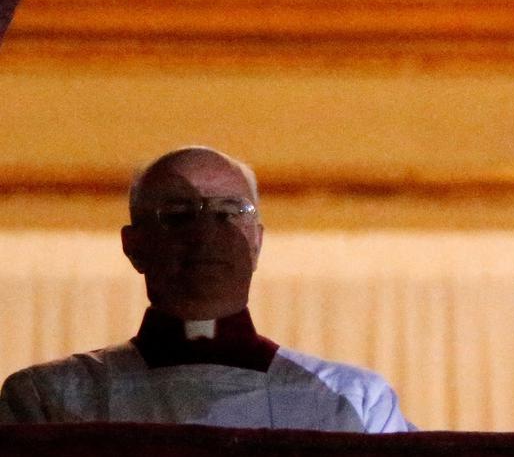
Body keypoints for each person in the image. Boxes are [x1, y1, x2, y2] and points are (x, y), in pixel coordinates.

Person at [0, 146, 413, 432]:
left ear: (257, 241)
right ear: (134, 245)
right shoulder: (49, 401)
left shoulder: (355, 404)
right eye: (178, 215)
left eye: (230, 213)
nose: (207, 234)